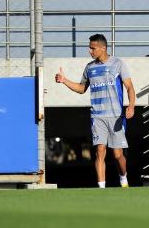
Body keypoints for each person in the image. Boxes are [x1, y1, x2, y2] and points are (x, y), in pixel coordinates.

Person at [55, 34, 136, 188]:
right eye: (89, 48)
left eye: (93, 48)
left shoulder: (118, 64)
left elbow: (130, 87)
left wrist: (131, 105)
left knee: (118, 155)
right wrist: (64, 80)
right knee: (100, 151)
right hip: (97, 116)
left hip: (116, 116)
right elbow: (81, 88)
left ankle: (123, 178)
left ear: (103, 48)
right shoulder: (90, 68)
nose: (90, 51)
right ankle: (101, 188)